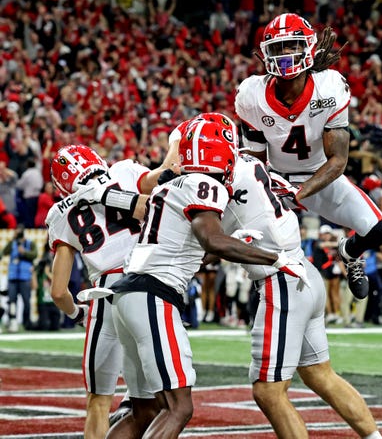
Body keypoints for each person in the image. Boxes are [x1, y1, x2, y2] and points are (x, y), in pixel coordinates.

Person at [84, 117, 310, 439]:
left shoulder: (168, 187)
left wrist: (234, 244)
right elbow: (212, 240)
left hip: (128, 296)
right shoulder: (207, 185)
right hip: (153, 298)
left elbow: (193, 250)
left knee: (145, 410)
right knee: (178, 408)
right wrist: (277, 257)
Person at [220, 127, 382, 438]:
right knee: (320, 374)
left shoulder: (215, 180)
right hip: (304, 275)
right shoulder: (257, 168)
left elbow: (208, 237)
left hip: (280, 280)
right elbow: (289, 196)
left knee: (268, 391)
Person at [235, 13, 382, 300]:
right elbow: (253, 157)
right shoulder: (252, 94)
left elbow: (338, 161)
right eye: (278, 48)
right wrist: (266, 190)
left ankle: (349, 253)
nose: (285, 55)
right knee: (248, 242)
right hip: (276, 181)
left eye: (292, 46)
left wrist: (300, 193)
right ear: (265, 53)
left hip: (321, 178)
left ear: (308, 47)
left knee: (378, 230)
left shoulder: (329, 86)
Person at [47, 143, 177, 439]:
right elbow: (165, 180)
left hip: (106, 294)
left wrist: (77, 314)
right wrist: (174, 145)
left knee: (99, 401)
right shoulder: (124, 171)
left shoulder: (60, 215)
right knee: (163, 400)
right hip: (150, 286)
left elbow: (58, 291)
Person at [2, 224, 38, 332]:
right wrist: (12, 240)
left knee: (26, 301)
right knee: (12, 300)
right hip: (12, 277)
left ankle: (27, 323)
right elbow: (4, 252)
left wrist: (24, 252)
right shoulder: (12, 243)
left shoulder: (29, 243)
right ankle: (12, 321)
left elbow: (35, 254)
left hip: (25, 277)